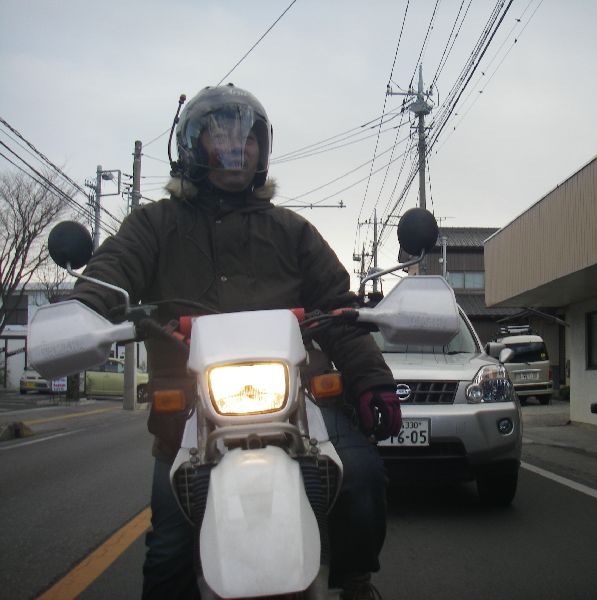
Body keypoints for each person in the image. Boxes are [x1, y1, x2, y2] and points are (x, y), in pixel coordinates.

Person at [70, 83, 401, 600]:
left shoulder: (291, 231)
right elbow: (111, 271)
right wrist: (81, 311)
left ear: (261, 150)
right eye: (221, 133)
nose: (236, 146)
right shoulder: (154, 226)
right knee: (169, 549)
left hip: (298, 399)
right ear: (192, 146)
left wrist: (372, 380)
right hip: (192, 407)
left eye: (247, 137)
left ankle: (356, 580)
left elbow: (339, 306)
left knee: (361, 476)